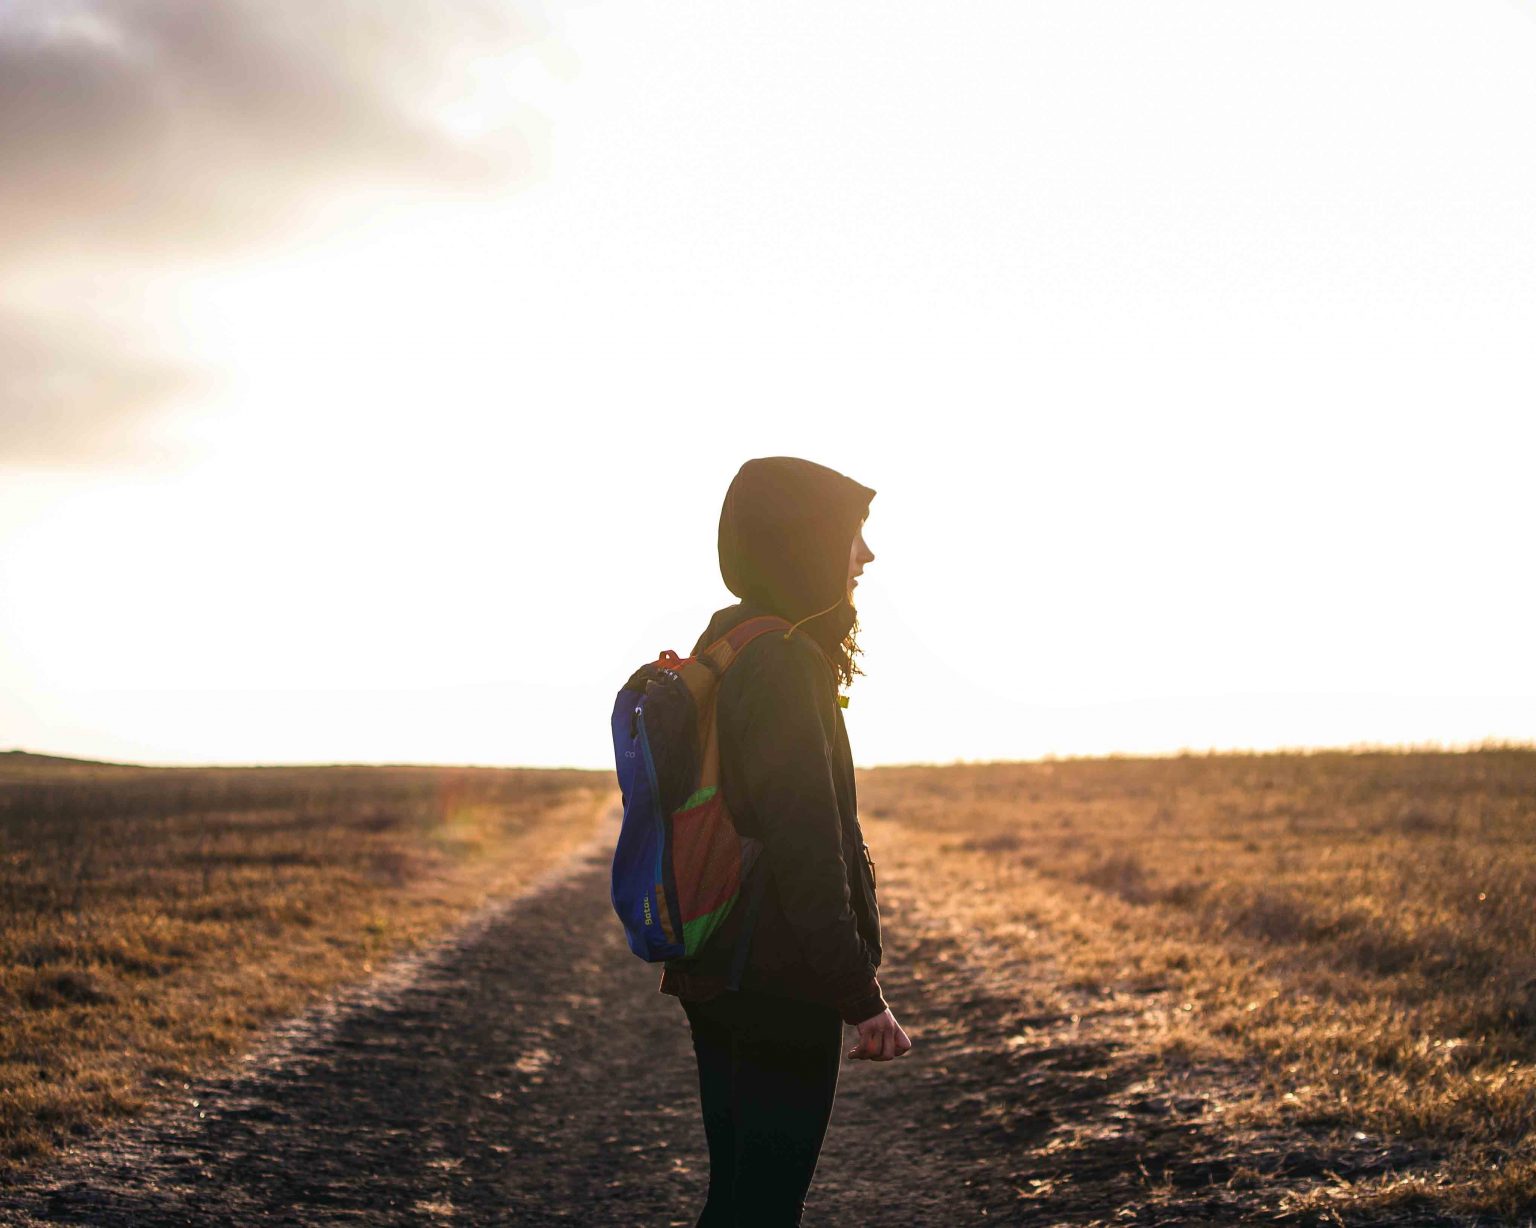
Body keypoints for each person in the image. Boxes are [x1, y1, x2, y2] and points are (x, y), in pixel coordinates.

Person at [660, 456, 913, 1227]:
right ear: (805, 541)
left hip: (720, 960)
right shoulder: (783, 665)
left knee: (737, 1201)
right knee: (763, 1209)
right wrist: (861, 998)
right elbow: (807, 847)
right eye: (852, 534)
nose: (866, 555)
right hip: (775, 975)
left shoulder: (731, 642)